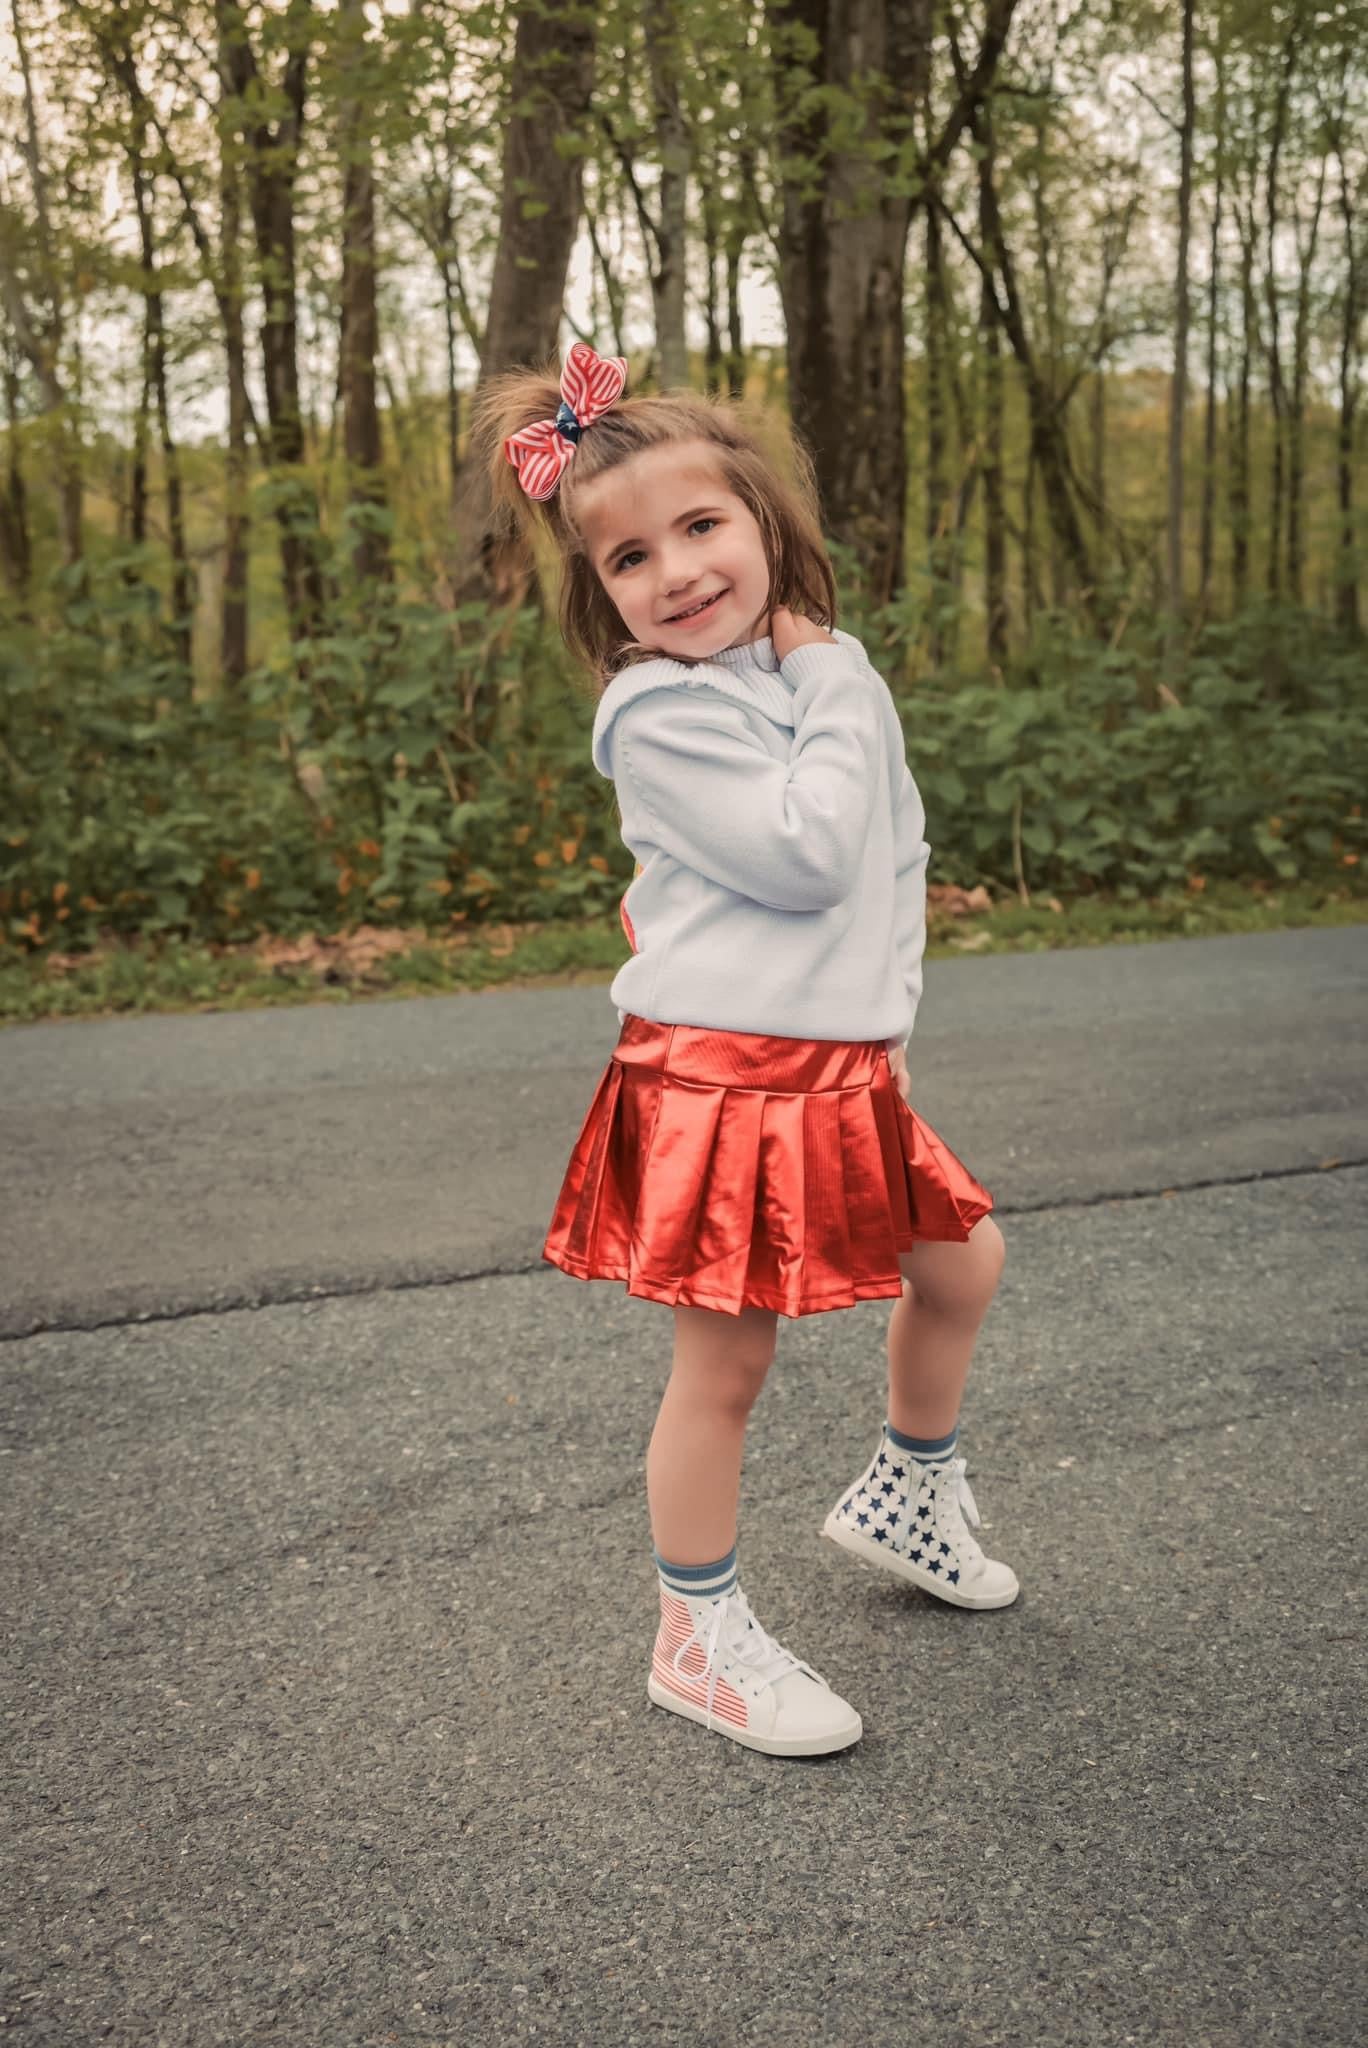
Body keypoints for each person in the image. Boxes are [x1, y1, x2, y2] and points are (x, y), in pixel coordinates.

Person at [471, 341, 1016, 1761]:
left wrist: (878, 1019)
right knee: (725, 1368)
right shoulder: (660, 710)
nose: (678, 571)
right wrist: (834, 677)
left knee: (961, 1263)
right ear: (604, 598)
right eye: (631, 557)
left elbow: (885, 848)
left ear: (765, 523)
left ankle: (907, 1494)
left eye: (701, 526)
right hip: (722, 1077)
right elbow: (808, 851)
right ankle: (694, 1634)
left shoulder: (806, 675)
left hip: (833, 1068)